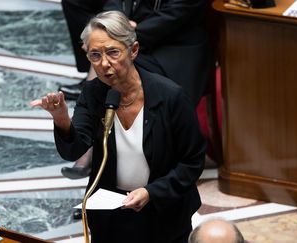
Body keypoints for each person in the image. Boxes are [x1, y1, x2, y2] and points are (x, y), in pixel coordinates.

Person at [31, 10, 205, 243]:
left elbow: (192, 162)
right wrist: (61, 118)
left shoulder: (170, 96)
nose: (104, 64)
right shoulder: (93, 94)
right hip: (111, 215)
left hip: (163, 212)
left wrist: (151, 192)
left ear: (133, 51)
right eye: (95, 55)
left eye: (113, 52)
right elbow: (73, 150)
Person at [59, 0, 213, 179]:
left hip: (174, 43)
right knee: (108, 52)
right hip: (134, 34)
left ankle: (91, 149)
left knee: (113, 57)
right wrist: (114, 27)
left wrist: (125, 35)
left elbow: (177, 14)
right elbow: (114, 2)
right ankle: (93, 145)